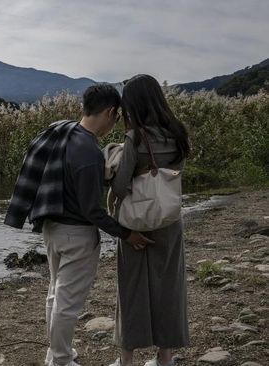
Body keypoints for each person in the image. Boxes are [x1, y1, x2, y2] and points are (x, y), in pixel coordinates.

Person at [4, 84, 153, 366]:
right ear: (110, 111)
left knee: (55, 294)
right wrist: (127, 234)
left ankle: (57, 353)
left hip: (51, 228)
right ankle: (60, 359)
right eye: (116, 115)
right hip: (77, 236)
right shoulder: (89, 151)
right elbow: (92, 210)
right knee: (67, 303)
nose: (115, 122)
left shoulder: (62, 131)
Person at [109, 74, 190, 366]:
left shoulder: (135, 138)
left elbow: (120, 187)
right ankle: (165, 358)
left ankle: (127, 359)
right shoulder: (178, 132)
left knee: (131, 288)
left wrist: (115, 159)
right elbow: (175, 174)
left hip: (135, 223)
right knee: (169, 286)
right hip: (169, 220)